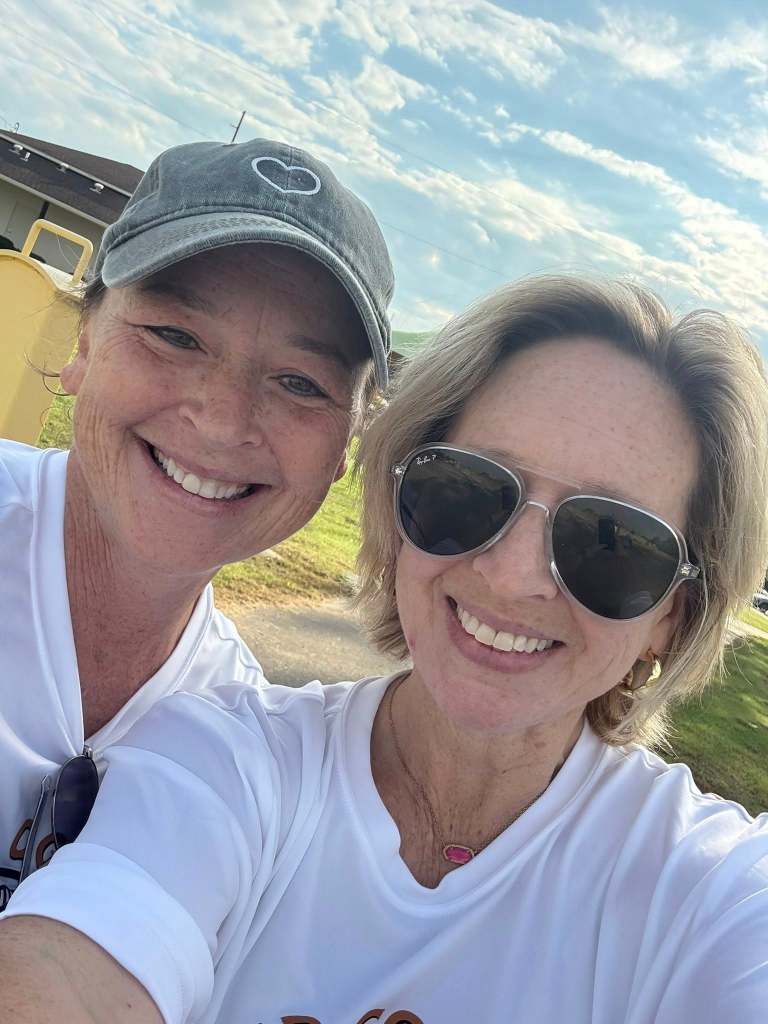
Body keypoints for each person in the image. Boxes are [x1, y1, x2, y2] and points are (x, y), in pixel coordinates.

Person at [2, 276, 768, 1023]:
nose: (511, 576)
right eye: (468, 489)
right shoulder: (224, 758)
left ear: (674, 613)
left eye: (613, 542)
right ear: (399, 505)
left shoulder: (713, 890)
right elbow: (77, 963)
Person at [0, 136, 393, 909]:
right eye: (175, 337)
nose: (222, 421)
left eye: (299, 382)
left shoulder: (237, 737)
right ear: (85, 341)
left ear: (347, 444)